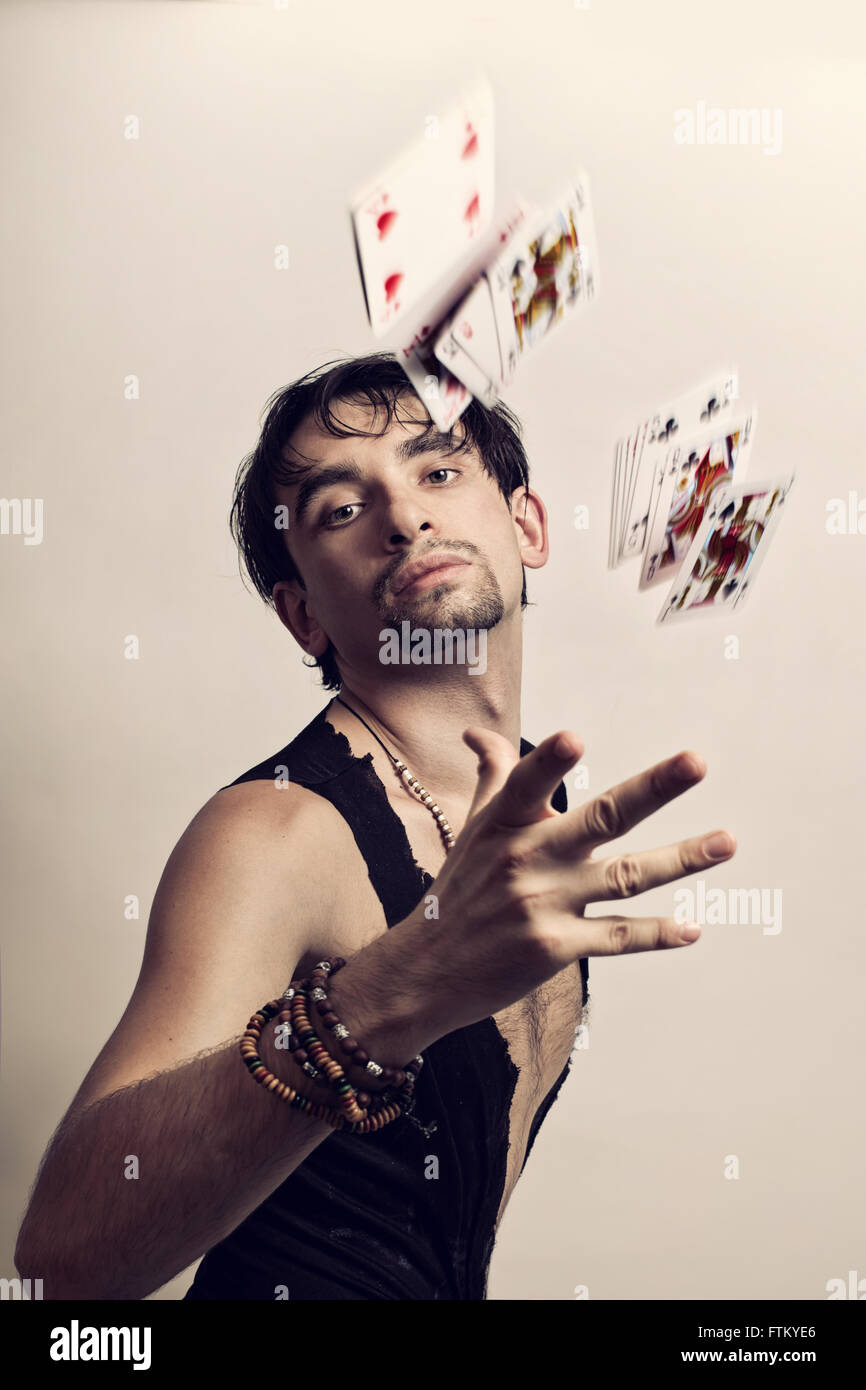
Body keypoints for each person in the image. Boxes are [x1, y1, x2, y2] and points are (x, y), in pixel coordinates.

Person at [14, 352, 736, 1300]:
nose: (405, 516)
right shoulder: (274, 835)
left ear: (527, 524)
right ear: (303, 616)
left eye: (438, 470)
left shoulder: (525, 807)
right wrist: (396, 990)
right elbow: (60, 1260)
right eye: (343, 510)